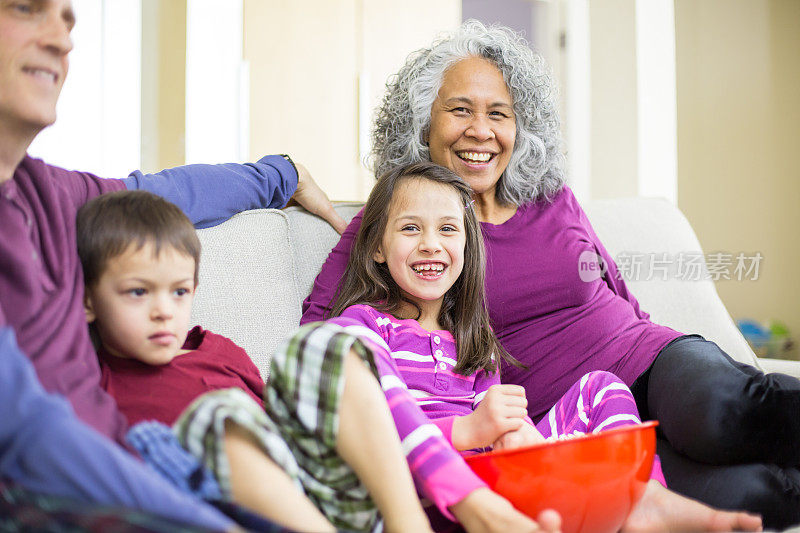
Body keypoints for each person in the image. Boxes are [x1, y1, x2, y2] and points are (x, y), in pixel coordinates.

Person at [302, 20, 788, 530]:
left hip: (644, 366)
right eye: (460, 110)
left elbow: (617, 289)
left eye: (499, 114)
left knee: (719, 412)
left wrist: (665, 353)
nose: (481, 131)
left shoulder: (552, 198)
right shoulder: (399, 225)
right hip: (565, 430)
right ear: (422, 123)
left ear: (520, 127)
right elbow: (320, 337)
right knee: (751, 493)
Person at [0, 0, 344, 528]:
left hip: (133, 461)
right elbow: (30, 430)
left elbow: (164, 195)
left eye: (69, 19)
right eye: (27, 8)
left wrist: (282, 174)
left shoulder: (49, 192)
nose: (62, 38)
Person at [324, 161, 673, 531]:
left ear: (466, 245)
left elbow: (493, 421)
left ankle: (645, 499)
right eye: (411, 228)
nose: (430, 244)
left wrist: (518, 434)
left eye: (447, 229)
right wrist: (467, 431)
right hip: (424, 494)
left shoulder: (473, 338)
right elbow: (365, 430)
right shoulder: (364, 326)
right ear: (378, 247)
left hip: (499, 478)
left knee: (602, 388)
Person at [76, 189, 433, 533]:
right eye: (139, 292)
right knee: (216, 412)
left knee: (324, 342)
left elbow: (279, 425)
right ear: (88, 301)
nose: (164, 312)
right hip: (234, 514)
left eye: (179, 291)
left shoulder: (216, 350)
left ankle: (408, 525)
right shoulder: (92, 386)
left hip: (323, 495)